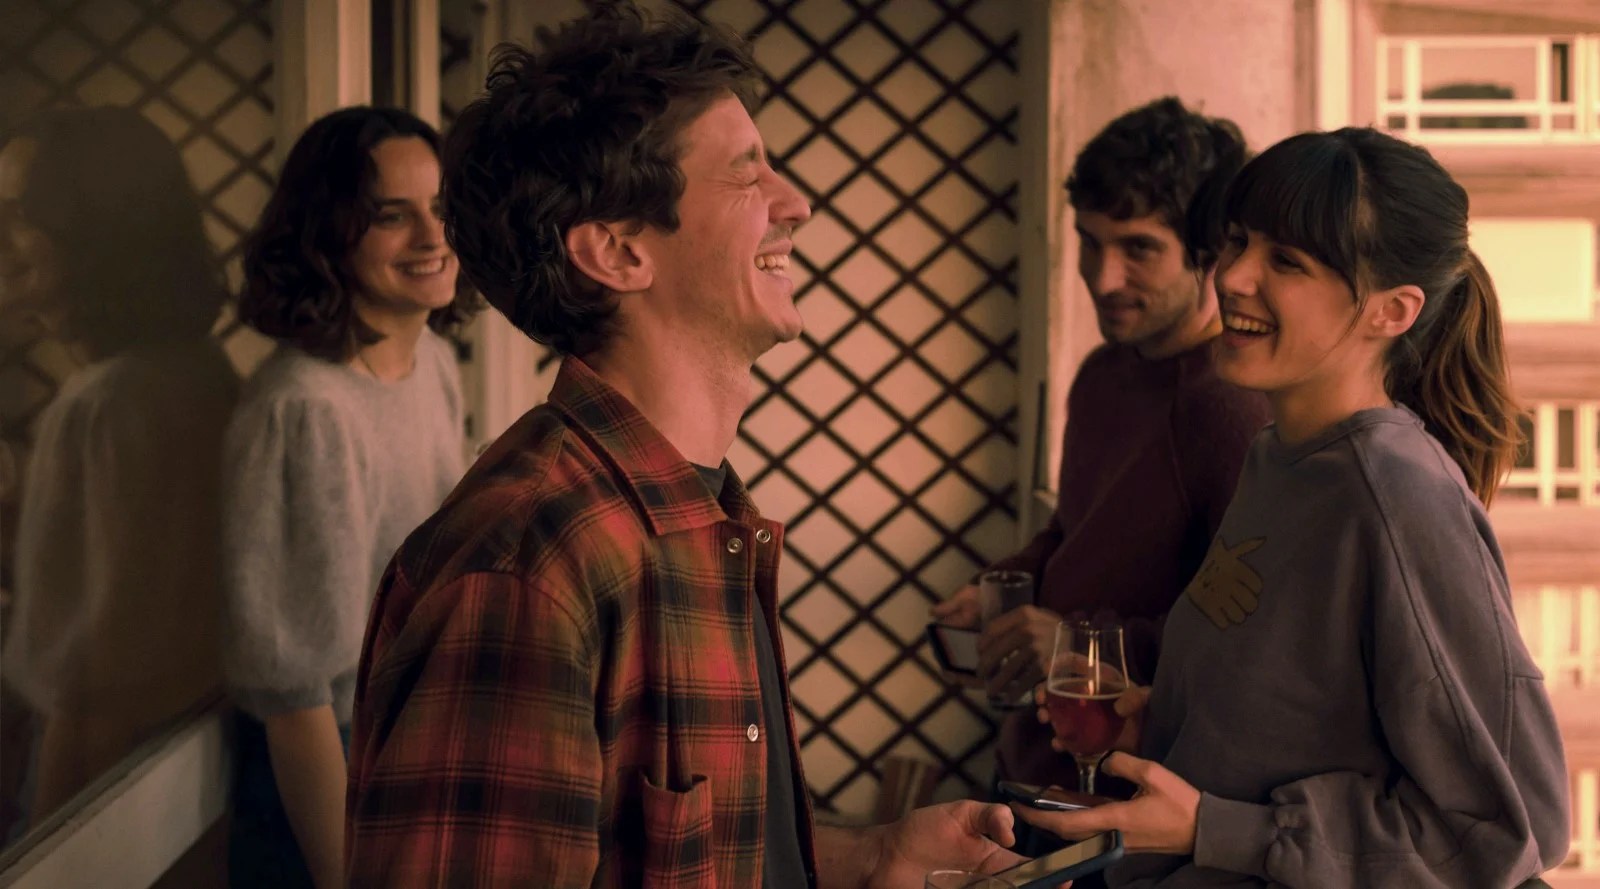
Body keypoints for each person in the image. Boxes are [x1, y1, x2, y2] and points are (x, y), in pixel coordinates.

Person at [345, 4, 1025, 887]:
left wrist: (869, 858)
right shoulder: (526, 569)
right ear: (618, 251)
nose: (796, 203)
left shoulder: (699, 512)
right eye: (747, 175)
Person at [1012, 127, 1572, 887]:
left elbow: (1509, 829)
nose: (1233, 275)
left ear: (1392, 311)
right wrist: (1171, 722)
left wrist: (1219, 828)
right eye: (1239, 241)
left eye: (1287, 262)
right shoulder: (1278, 455)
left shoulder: (1397, 498)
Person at [931, 98, 1270, 796]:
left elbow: (1249, 633)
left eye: (1138, 248)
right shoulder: (1102, 373)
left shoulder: (1231, 409)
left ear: (1210, 254)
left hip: (1128, 797)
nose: (1101, 276)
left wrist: (1073, 643)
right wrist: (1006, 588)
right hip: (1033, 766)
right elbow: (1074, 531)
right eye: (1090, 242)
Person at [221, 106, 480, 889]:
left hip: (416, 753)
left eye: (440, 207)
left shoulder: (433, 361)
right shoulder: (303, 410)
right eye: (390, 216)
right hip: (327, 787)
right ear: (327, 234)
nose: (432, 237)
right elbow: (296, 699)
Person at [0, 106, 238, 821]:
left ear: (94, 229)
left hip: (101, 790)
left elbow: (94, 686)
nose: (6, 236)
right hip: (184, 776)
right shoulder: (197, 371)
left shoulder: (104, 405)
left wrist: (48, 848)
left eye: (23, 213)